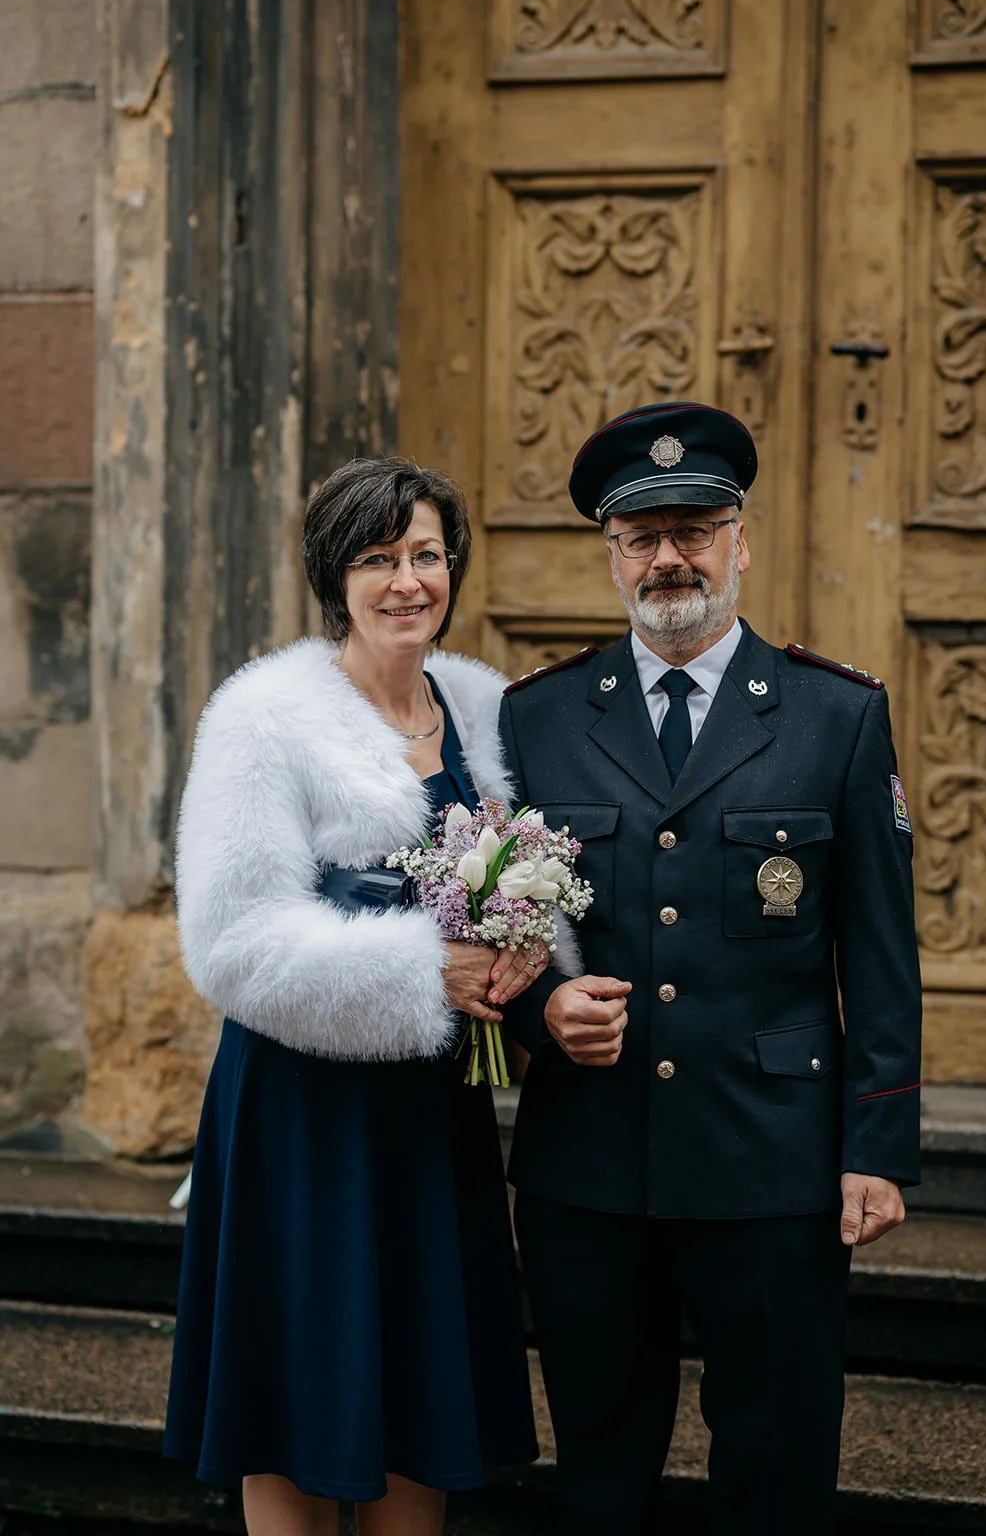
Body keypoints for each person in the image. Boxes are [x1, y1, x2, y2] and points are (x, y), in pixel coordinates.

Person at [499, 402, 923, 1536]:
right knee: (598, 1470)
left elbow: (880, 952)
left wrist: (876, 1146)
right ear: (611, 555)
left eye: (692, 530)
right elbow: (503, 931)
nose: (667, 559)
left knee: (776, 1466)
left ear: (739, 541)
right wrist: (539, 1011)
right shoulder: (536, 719)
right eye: (640, 537)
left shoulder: (834, 714)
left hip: (773, 1160)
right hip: (589, 1162)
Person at [163, 457, 547, 1536]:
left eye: (425, 555)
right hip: (301, 1115)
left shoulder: (487, 712)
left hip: (431, 1116)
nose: (406, 582)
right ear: (336, 577)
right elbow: (233, 942)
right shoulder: (264, 719)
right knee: (294, 1383)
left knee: (420, 1382)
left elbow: (536, 882)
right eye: (377, 559)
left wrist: (526, 959)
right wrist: (423, 970)